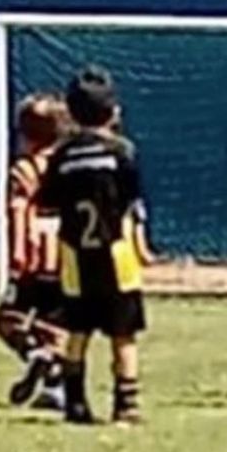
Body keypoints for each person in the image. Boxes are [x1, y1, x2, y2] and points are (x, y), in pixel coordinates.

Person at [39, 66, 150, 425]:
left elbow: (48, 201)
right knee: (124, 335)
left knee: (77, 331)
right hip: (116, 254)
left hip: (75, 255)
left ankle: (75, 402)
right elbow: (131, 200)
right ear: (113, 111)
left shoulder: (62, 155)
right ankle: (126, 404)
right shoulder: (121, 151)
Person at [0, 93, 70, 410]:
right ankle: (55, 386)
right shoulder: (71, 166)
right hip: (67, 254)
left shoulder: (24, 170)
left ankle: (33, 354)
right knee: (58, 327)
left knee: (8, 320)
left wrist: (18, 255)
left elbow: (19, 211)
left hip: (35, 253)